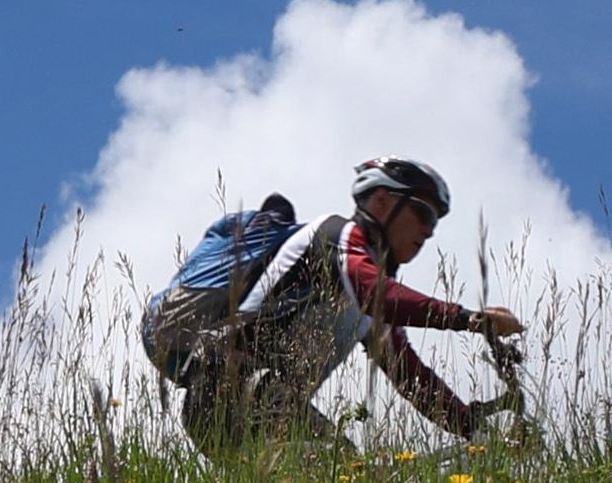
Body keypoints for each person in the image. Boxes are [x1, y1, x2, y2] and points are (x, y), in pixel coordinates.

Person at [177, 155, 526, 455]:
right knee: (344, 473)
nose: (430, 230)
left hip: (258, 401)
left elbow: (411, 377)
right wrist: (470, 320)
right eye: (424, 213)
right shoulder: (335, 236)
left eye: (434, 221)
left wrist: (472, 428)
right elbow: (377, 294)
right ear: (382, 202)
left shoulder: (369, 299)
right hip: (227, 384)